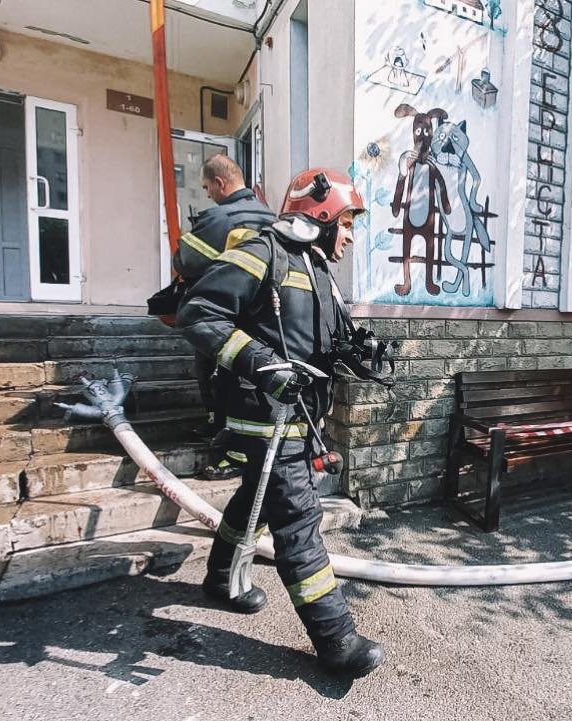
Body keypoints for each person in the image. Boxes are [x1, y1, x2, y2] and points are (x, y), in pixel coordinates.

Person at [176, 168, 385, 677]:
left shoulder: (317, 270)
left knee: (256, 497)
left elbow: (315, 340)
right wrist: (263, 365)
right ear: (321, 216)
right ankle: (336, 640)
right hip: (264, 417)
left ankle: (221, 578)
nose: (350, 236)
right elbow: (199, 314)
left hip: (299, 417)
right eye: (347, 224)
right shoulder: (263, 252)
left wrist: (357, 351)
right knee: (297, 521)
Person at [173, 154, 276, 481]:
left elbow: (185, 262)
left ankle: (226, 437)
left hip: (223, 314)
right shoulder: (273, 218)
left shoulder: (218, 218)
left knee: (215, 374)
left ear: (219, 182)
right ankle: (236, 439)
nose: (207, 194)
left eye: (207, 187)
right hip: (263, 319)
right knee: (250, 380)